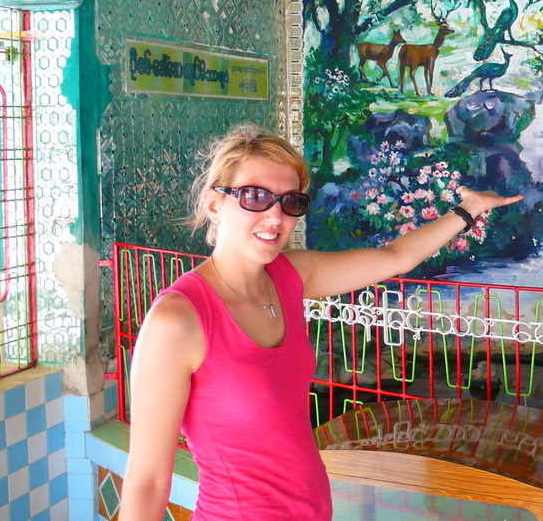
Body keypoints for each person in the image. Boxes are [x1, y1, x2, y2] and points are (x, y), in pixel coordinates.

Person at [118, 125, 521, 520]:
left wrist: (468, 210)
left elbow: (394, 257)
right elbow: (147, 482)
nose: (275, 216)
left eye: (290, 201)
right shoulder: (178, 320)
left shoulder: (289, 276)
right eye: (255, 196)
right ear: (214, 204)